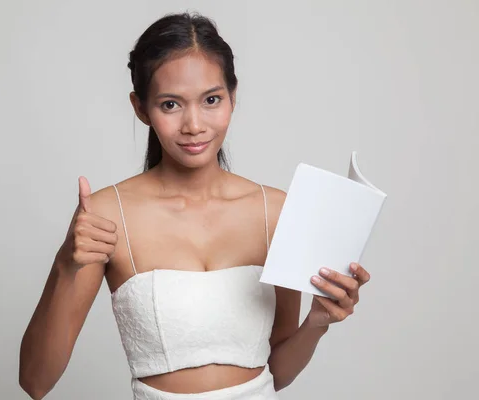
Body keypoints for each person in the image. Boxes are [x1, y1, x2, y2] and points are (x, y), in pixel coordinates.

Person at [19, 12, 371, 400]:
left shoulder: (277, 211)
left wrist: (318, 321)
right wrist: (64, 265)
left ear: (233, 98)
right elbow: (35, 382)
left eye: (211, 100)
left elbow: (278, 372)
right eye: (170, 104)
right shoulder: (106, 215)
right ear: (141, 108)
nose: (194, 125)